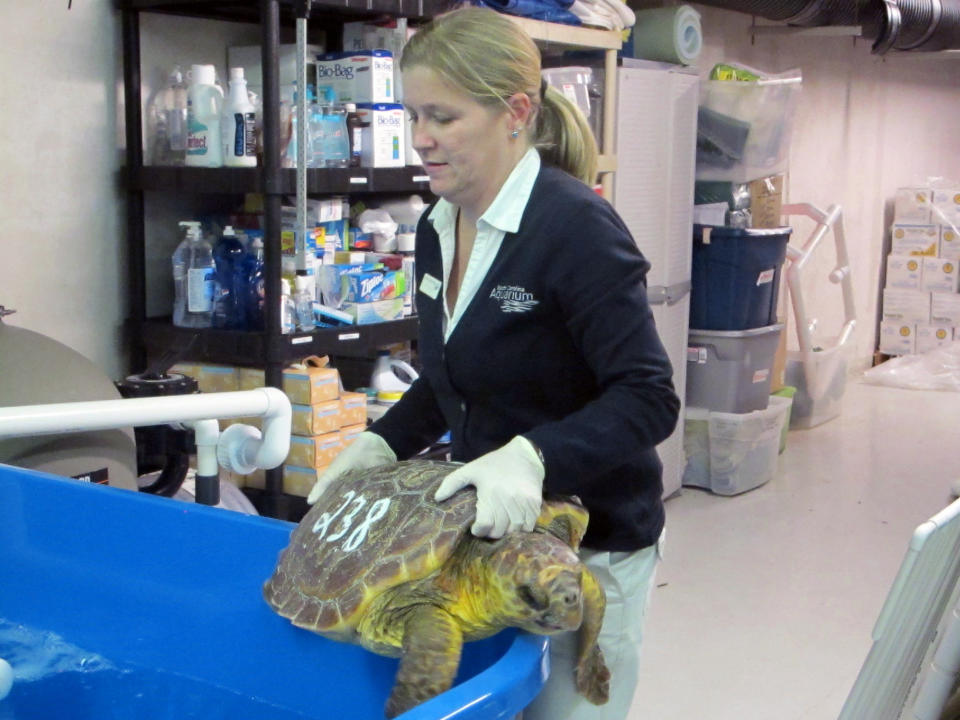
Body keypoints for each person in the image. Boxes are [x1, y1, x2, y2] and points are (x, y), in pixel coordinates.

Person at [306, 6, 680, 718]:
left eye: (442, 118)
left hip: (584, 549)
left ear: (515, 111)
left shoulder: (576, 230)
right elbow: (453, 376)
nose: (421, 140)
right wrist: (382, 441)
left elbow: (648, 397)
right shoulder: (437, 225)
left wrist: (533, 459)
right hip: (480, 548)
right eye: (413, 116)